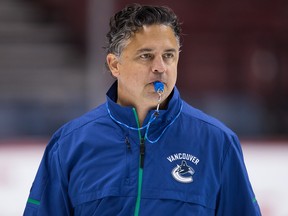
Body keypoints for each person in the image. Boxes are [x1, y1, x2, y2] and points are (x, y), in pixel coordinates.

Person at [24, 4, 261, 216]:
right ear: (115, 65)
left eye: (168, 56)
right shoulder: (69, 143)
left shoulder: (217, 142)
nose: (160, 67)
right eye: (146, 56)